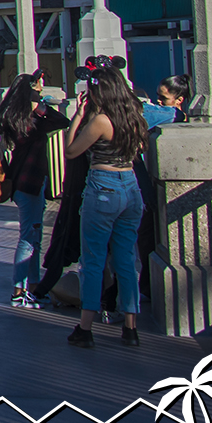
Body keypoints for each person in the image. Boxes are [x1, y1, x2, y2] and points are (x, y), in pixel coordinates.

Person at [62, 64, 149, 347]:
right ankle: (131, 326)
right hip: (131, 186)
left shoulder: (100, 120)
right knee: (125, 259)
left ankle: (86, 328)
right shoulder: (135, 116)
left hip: (103, 186)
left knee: (94, 259)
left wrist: (77, 116)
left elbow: (72, 150)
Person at [0, 71, 70, 308]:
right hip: (29, 183)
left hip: (29, 183)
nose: (41, 89)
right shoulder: (29, 120)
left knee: (34, 237)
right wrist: (41, 107)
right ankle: (19, 290)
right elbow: (63, 122)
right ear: (29, 90)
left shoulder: (15, 116)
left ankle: (33, 287)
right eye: (38, 85)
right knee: (28, 238)